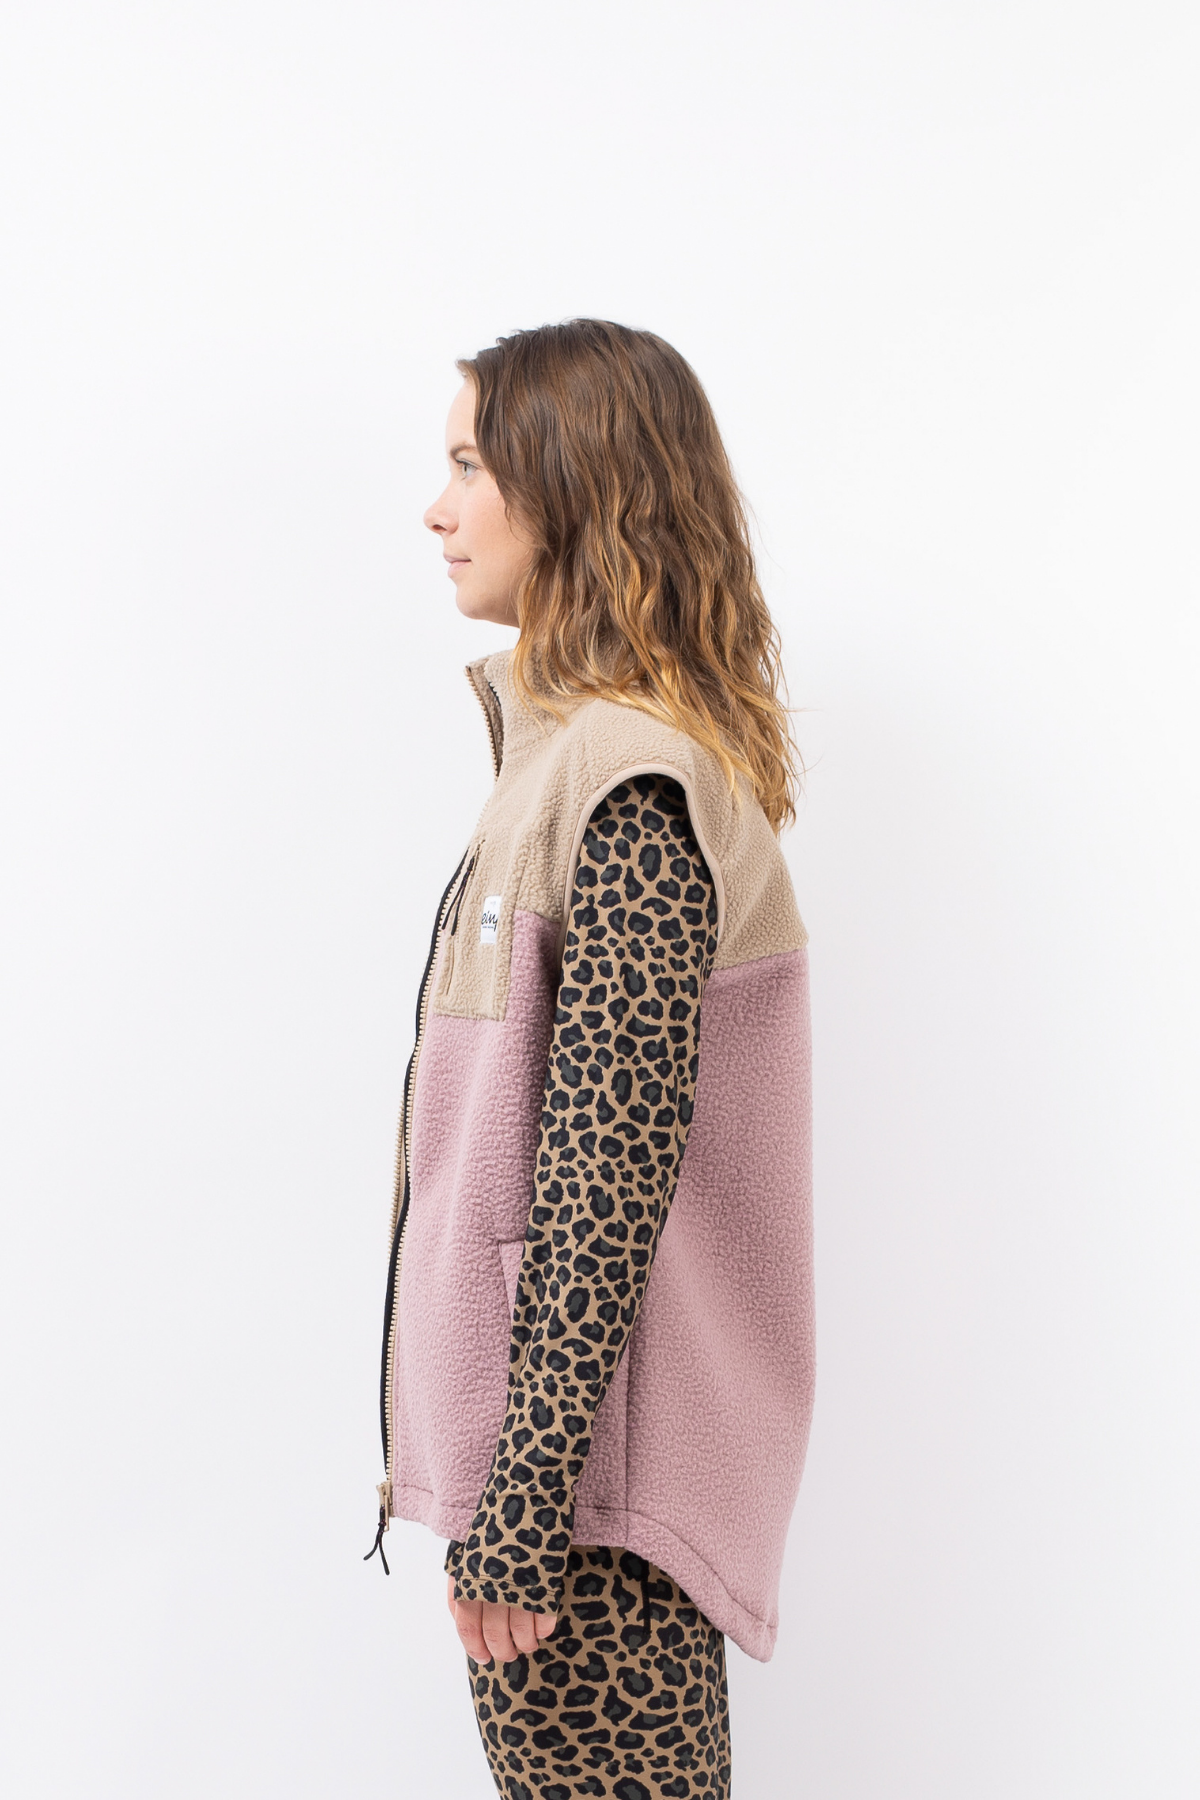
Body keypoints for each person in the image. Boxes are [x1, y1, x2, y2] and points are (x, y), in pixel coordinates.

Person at [367, 319, 814, 1800]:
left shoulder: (629, 783)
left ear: (572, 487)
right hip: (561, 1480)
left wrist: (524, 1504)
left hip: (583, 1508)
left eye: (469, 466)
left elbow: (608, 1174)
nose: (438, 509)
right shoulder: (560, 766)